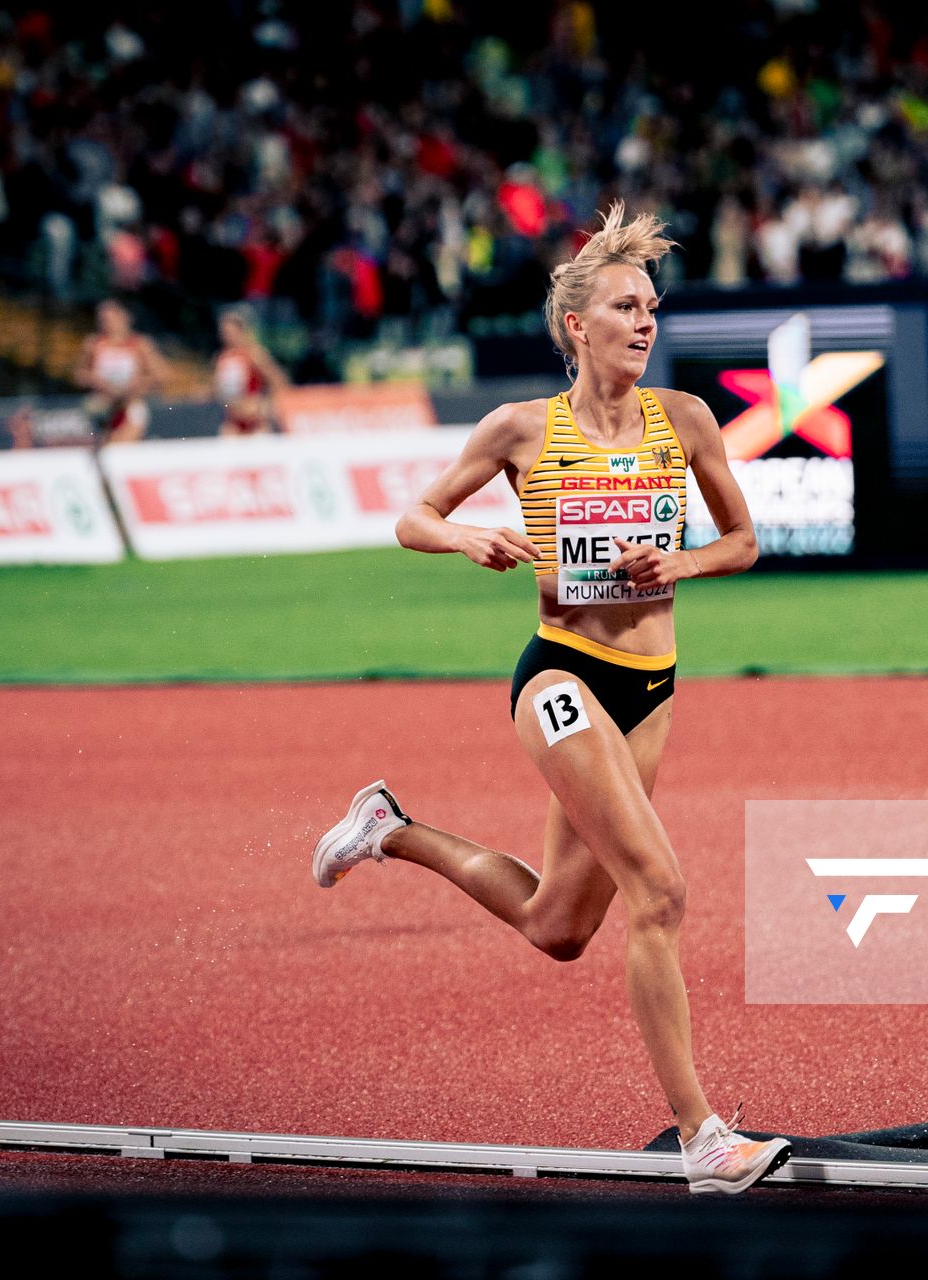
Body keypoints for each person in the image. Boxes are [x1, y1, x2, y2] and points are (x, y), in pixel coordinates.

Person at [307, 204, 789, 1196]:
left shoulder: (684, 419)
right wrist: (466, 537)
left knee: (559, 925)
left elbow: (744, 542)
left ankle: (388, 828)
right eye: (625, 306)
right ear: (579, 324)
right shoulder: (524, 427)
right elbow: (414, 514)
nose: (646, 324)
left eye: (652, 307)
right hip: (561, 677)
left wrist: (682, 561)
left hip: (650, 686)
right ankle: (702, 1135)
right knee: (660, 889)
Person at [77, 300, 165, 444]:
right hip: (104, 405)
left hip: (130, 403)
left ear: (125, 317)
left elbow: (162, 375)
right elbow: (80, 375)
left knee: (131, 425)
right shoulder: (94, 344)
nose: (108, 324)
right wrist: (96, 380)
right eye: (104, 320)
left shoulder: (139, 344)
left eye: (112, 319)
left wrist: (137, 384)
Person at [212, 305, 289, 436]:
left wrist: (265, 404)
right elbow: (218, 390)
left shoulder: (253, 353)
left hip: (255, 422)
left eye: (231, 332)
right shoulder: (221, 358)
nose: (227, 336)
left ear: (241, 331)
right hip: (233, 422)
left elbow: (279, 380)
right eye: (224, 332)